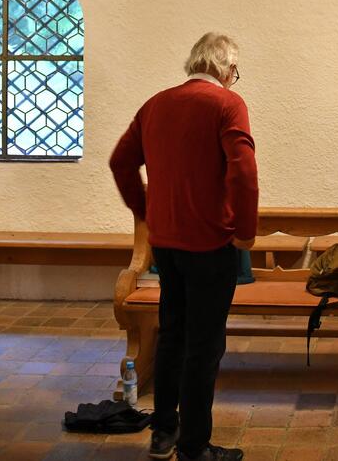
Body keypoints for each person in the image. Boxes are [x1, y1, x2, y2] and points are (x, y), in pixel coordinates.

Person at [110, 33, 259, 461]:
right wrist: (245, 231)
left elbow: (120, 161)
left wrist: (145, 211)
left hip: (167, 245)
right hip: (210, 242)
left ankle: (164, 433)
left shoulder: (156, 104)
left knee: (172, 334)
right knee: (204, 345)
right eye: (235, 72)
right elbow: (244, 171)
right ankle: (194, 446)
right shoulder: (227, 104)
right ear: (227, 69)